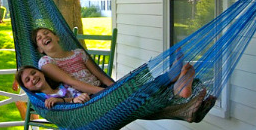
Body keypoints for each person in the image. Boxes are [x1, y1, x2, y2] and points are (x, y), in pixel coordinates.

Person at [31, 27, 196, 99]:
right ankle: (173, 80)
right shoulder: (46, 61)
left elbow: (101, 76)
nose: (44, 37)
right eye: (39, 38)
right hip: (85, 98)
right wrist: (108, 93)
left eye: (46, 33)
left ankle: (175, 84)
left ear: (57, 37)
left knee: (134, 84)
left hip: (102, 90)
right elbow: (71, 82)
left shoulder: (78, 53)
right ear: (40, 49)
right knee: (133, 95)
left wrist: (115, 88)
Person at [15, 65, 91, 109]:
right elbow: (62, 113)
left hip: (90, 106)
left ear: (42, 73)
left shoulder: (63, 87)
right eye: (27, 80)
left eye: (34, 73)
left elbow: (80, 96)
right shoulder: (40, 99)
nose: (33, 77)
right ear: (26, 88)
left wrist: (78, 98)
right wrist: (72, 100)